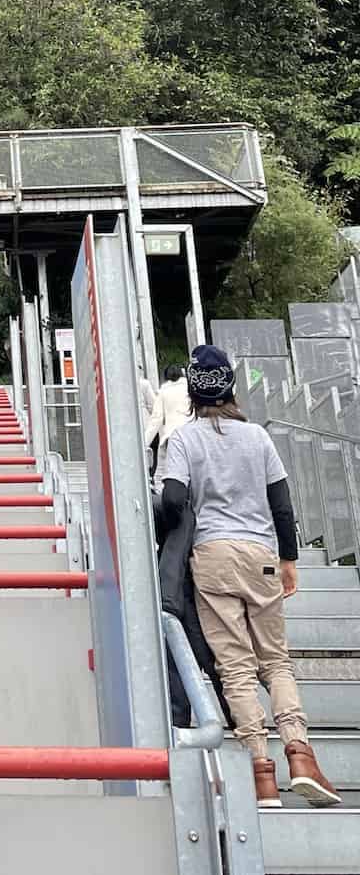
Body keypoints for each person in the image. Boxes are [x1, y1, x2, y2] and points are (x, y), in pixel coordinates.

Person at [161, 345, 339, 811]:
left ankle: (261, 774)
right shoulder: (257, 436)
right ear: (231, 387)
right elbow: (281, 502)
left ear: (193, 393)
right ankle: (301, 754)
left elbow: (174, 499)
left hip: (212, 557)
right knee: (276, 662)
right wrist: (289, 559)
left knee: (235, 666)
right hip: (260, 553)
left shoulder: (182, 440)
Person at [146, 363, 192, 461]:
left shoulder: (163, 392)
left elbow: (156, 419)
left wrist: (145, 443)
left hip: (172, 437)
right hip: (192, 434)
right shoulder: (190, 389)